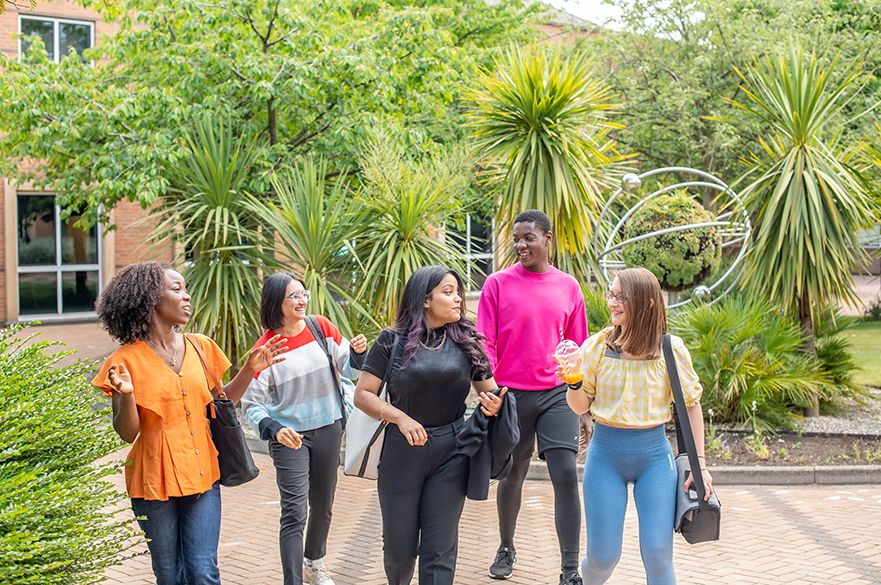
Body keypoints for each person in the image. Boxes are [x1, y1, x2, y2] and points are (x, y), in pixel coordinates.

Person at [92, 262, 287, 585]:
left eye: (186, 289)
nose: (187, 297)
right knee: (169, 575)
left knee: (203, 571)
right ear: (151, 298)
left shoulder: (201, 346)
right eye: (177, 289)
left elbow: (223, 404)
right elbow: (127, 433)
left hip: (202, 475)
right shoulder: (124, 361)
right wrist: (126, 394)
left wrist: (250, 369)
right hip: (153, 482)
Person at [354, 265, 508, 585]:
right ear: (425, 300)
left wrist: (494, 404)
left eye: (458, 292)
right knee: (399, 550)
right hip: (402, 451)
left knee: (440, 550)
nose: (458, 300)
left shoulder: (468, 342)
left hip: (451, 452)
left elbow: (489, 392)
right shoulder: (390, 341)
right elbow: (363, 395)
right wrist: (399, 416)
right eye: (448, 292)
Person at [565, 267, 714, 585]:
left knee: (659, 554)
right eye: (611, 294)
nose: (612, 303)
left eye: (621, 297)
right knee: (604, 557)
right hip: (605, 457)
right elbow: (580, 407)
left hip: (655, 460)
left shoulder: (670, 350)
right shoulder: (597, 348)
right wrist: (574, 380)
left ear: (647, 303)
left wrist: (700, 466)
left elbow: (691, 404)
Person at [476, 209, 589, 585]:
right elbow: (485, 342)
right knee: (513, 474)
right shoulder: (497, 283)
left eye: (529, 238)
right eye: (517, 238)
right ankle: (506, 547)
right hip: (511, 395)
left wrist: (582, 401)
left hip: (557, 394)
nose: (521, 245)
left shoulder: (569, 287)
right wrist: (489, 389)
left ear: (548, 239)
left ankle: (570, 568)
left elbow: (577, 349)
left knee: (566, 475)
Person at [241, 272, 368, 585]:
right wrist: (272, 428)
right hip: (289, 438)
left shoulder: (320, 326)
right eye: (293, 296)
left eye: (303, 294)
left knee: (323, 505)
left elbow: (348, 369)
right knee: (295, 511)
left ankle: (314, 562)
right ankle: (293, 580)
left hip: (328, 427)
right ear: (276, 304)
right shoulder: (266, 349)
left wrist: (358, 353)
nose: (302, 301)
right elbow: (250, 405)